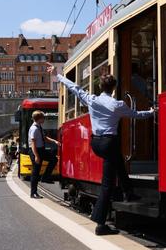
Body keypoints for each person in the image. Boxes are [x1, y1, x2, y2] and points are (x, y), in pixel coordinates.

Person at [49, 64, 155, 236]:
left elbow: (74, 87)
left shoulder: (92, 99)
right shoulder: (118, 104)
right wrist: (151, 112)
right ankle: (100, 223)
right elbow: (136, 115)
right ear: (114, 88)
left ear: (101, 87)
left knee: (118, 161)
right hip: (109, 142)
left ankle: (129, 193)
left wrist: (58, 75)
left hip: (96, 143)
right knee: (107, 184)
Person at [28, 111, 61, 198]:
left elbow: (44, 138)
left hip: (41, 149)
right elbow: (33, 143)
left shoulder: (39, 127)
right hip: (36, 151)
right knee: (36, 172)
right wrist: (36, 156)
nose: (44, 119)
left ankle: (45, 177)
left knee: (54, 159)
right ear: (39, 119)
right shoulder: (34, 129)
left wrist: (54, 141)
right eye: (43, 117)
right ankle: (33, 193)